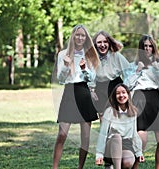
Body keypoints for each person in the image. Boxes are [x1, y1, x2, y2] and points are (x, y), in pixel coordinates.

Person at [53, 24, 100, 169]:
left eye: (83, 35)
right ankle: (54, 167)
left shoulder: (90, 54)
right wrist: (67, 65)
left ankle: (80, 167)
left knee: (85, 138)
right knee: (62, 134)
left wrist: (84, 69)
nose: (80, 37)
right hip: (69, 93)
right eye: (77, 35)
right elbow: (61, 79)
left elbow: (92, 79)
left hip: (84, 93)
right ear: (73, 36)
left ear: (86, 38)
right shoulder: (63, 54)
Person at [125, 34, 159, 169]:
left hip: (155, 100)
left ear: (153, 48)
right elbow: (126, 86)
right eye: (145, 46)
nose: (147, 48)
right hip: (139, 99)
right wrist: (138, 71)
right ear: (141, 48)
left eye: (150, 46)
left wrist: (158, 69)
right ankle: (135, 167)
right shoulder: (132, 65)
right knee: (141, 143)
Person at [95, 83, 145, 169]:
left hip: (126, 144)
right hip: (111, 145)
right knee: (117, 136)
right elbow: (103, 134)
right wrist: (99, 154)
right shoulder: (109, 112)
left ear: (128, 94)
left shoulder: (133, 112)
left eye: (123, 92)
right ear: (114, 96)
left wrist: (139, 152)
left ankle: (112, 166)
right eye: (118, 93)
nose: (121, 95)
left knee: (128, 162)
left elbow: (134, 134)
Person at [92, 30, 131, 120]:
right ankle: (105, 134)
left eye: (105, 42)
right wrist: (92, 89)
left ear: (109, 43)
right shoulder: (92, 57)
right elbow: (90, 75)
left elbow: (128, 72)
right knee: (103, 115)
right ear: (95, 44)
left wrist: (126, 88)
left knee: (117, 115)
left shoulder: (116, 55)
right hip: (100, 87)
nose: (102, 45)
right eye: (99, 42)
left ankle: (118, 133)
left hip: (115, 85)